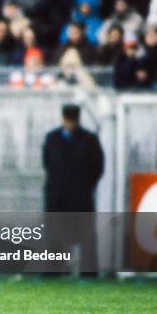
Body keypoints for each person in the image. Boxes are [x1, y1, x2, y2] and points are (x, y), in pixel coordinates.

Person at [42, 104, 104, 275]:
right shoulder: (52, 138)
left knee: (86, 235)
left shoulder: (89, 139)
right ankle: (53, 271)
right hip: (58, 196)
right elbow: (47, 163)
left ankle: (88, 271)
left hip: (80, 195)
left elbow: (97, 167)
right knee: (55, 233)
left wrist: (84, 186)